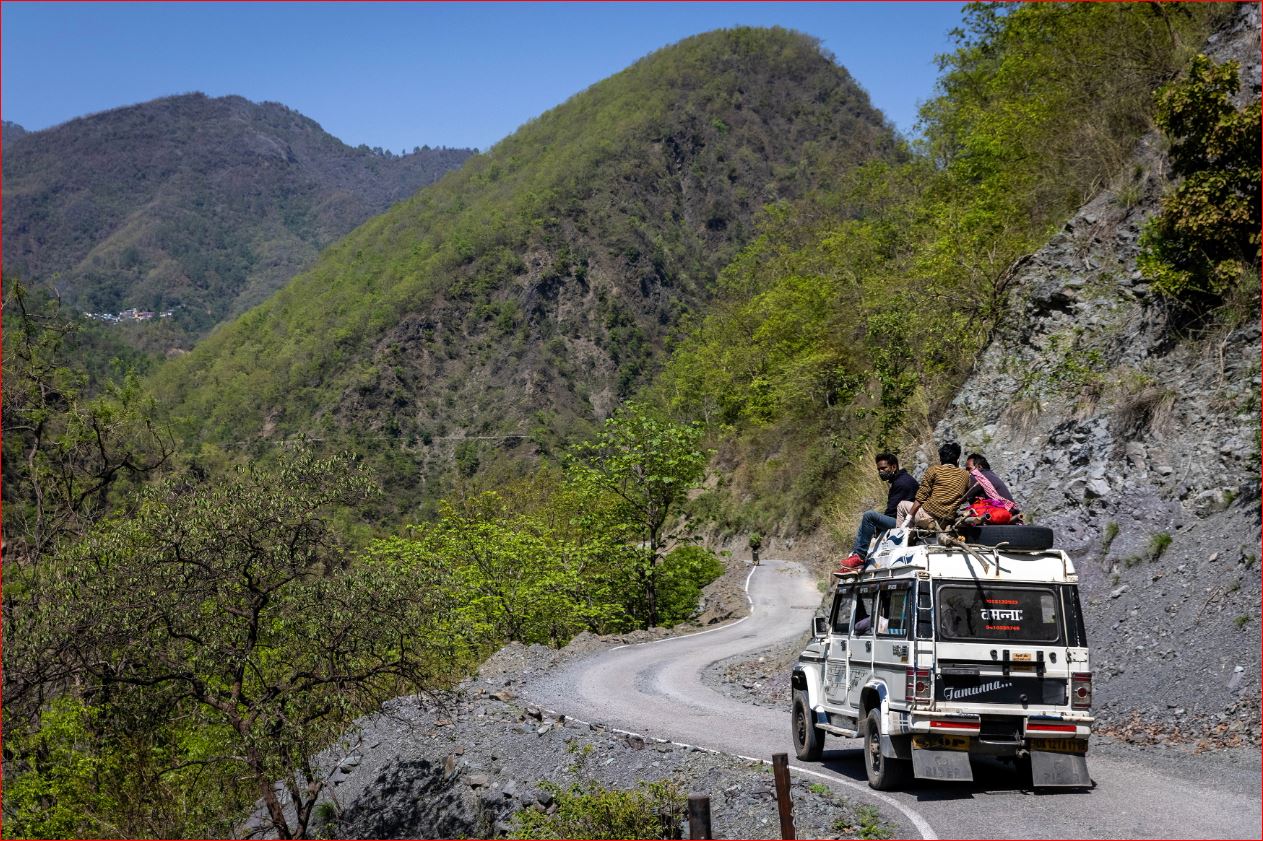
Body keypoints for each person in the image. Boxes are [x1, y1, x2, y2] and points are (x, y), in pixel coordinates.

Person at [838, 453, 918, 573]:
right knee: (866, 523)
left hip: (904, 522)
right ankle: (855, 559)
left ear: (893, 467)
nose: (881, 472)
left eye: (884, 468)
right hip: (902, 519)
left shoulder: (901, 483)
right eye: (879, 469)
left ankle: (859, 557)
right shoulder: (902, 479)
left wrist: (879, 527)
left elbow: (892, 512)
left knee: (869, 516)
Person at [896, 441, 969, 530]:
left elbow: (920, 497)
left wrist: (908, 517)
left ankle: (900, 535)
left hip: (928, 515)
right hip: (947, 519)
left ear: (941, 459)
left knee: (901, 505)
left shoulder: (933, 470)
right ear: (957, 459)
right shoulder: (965, 475)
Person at [962, 453, 1020, 523]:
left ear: (979, 467)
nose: (967, 472)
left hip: (998, 513)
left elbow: (960, 494)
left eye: (969, 469)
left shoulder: (977, 475)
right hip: (1011, 513)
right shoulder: (991, 475)